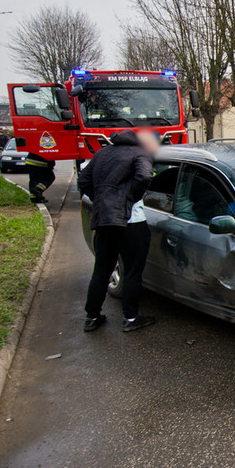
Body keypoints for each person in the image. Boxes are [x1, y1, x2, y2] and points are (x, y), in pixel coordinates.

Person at [78, 130, 156, 333]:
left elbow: (83, 181)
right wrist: (128, 199)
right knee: (132, 270)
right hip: (132, 222)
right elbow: (145, 175)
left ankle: (92, 317)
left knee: (102, 269)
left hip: (105, 220)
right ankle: (130, 318)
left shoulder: (101, 154)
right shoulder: (140, 153)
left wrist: (103, 200)